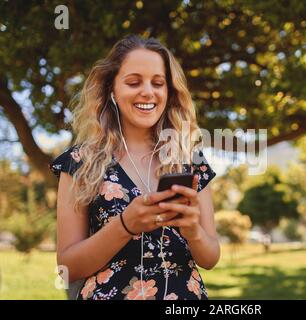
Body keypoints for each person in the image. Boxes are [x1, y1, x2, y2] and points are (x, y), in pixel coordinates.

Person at [49, 35, 219, 300]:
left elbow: (210, 257)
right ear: (112, 90)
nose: (148, 92)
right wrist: (125, 226)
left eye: (158, 83)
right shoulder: (80, 162)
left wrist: (193, 231)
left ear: (169, 92)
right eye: (134, 82)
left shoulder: (189, 159)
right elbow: (67, 268)